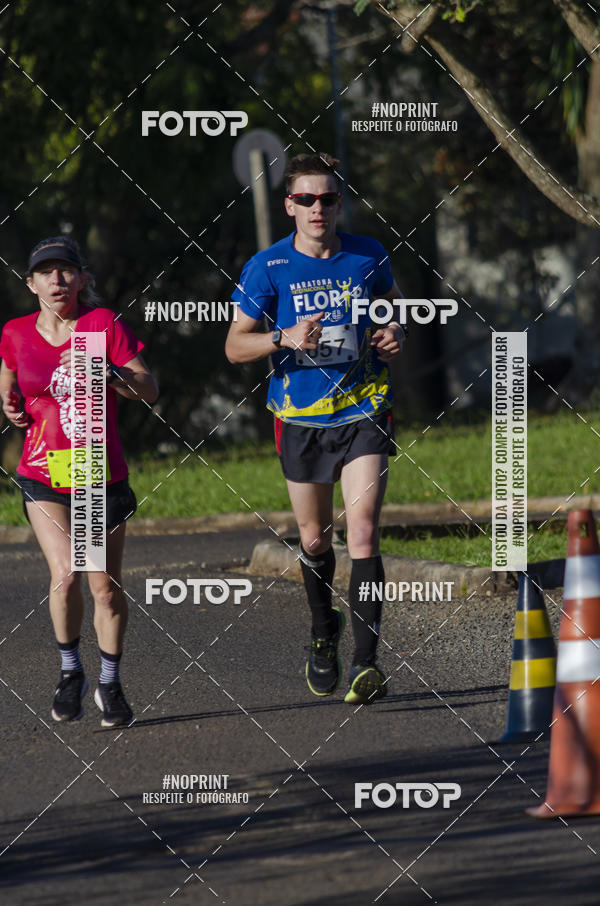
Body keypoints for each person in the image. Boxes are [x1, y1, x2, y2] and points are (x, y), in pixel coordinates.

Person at [226, 153, 405, 705]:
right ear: (289, 206)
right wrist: (283, 339)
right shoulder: (268, 267)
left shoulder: (368, 255)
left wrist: (392, 335)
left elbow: (389, 315)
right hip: (301, 420)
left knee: (365, 531)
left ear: (339, 203)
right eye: (306, 199)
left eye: (327, 198)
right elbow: (235, 347)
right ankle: (323, 629)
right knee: (313, 539)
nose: (317, 208)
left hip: (364, 410)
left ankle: (366, 663)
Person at [0, 236, 159, 727]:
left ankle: (109, 682)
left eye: (66, 270)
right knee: (65, 577)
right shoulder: (15, 331)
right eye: (46, 272)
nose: (57, 279)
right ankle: (71, 671)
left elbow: (148, 389)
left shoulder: (100, 326)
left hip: (95, 470)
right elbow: (9, 380)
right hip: (42, 471)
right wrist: (8, 404)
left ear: (82, 279)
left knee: (104, 588)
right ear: (31, 283)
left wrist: (108, 370)